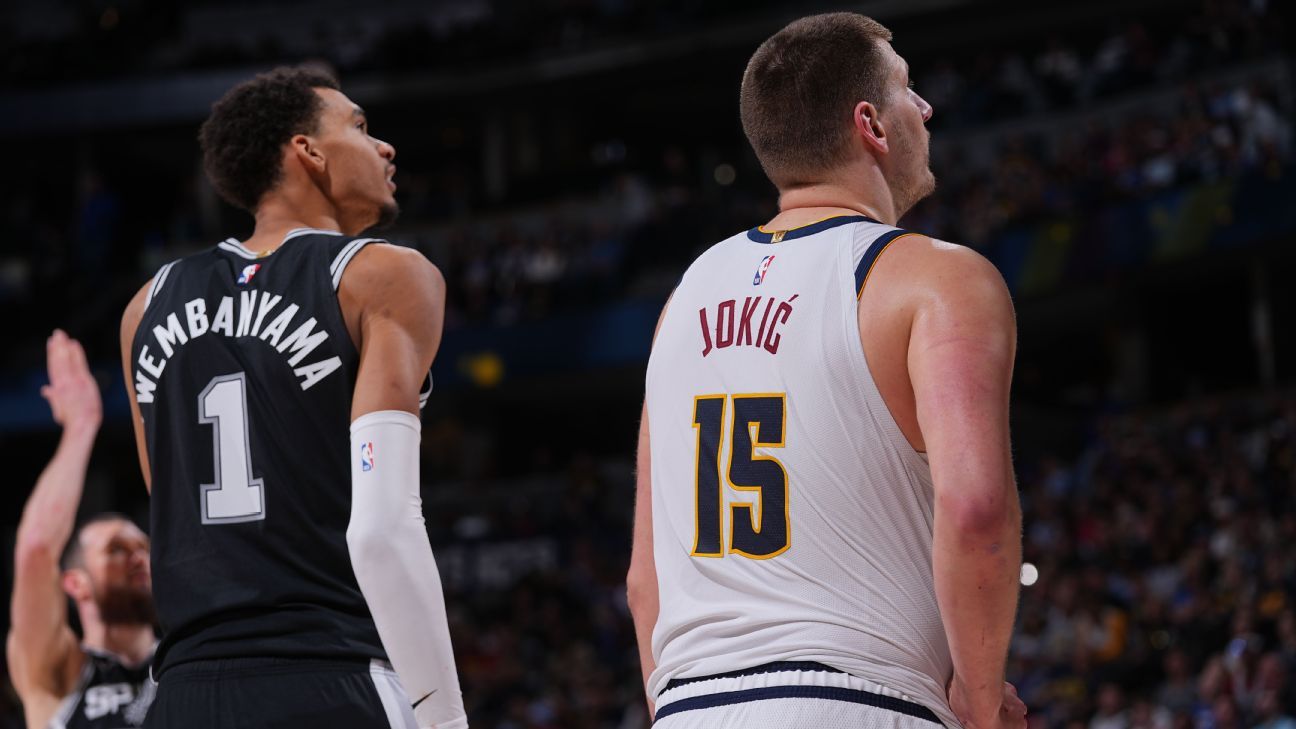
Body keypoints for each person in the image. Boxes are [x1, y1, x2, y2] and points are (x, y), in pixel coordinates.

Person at [627, 13, 1027, 729]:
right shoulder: (937, 278)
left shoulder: (682, 299)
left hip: (688, 704)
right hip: (860, 696)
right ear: (870, 124)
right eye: (908, 88)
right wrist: (980, 695)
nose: (925, 108)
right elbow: (975, 508)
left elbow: (643, 580)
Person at [118, 66, 467, 729]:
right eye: (359, 127)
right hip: (330, 672)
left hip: (184, 693)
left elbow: (169, 501)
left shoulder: (145, 306)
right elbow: (383, 526)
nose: (385, 147)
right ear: (307, 151)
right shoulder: (382, 275)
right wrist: (446, 718)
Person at [7, 330, 157, 729]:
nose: (138, 556)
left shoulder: (186, 661)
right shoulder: (60, 671)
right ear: (76, 583)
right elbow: (36, 548)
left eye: (143, 547)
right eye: (116, 549)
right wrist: (82, 425)